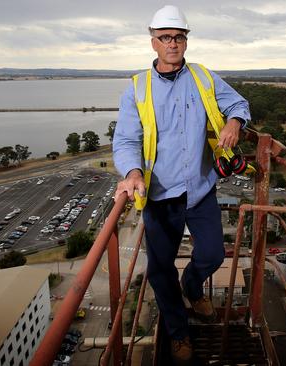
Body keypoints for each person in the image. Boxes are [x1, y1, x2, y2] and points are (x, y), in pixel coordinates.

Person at [112, 5, 250, 364]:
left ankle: (193, 287)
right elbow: (126, 140)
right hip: (159, 196)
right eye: (166, 38)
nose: (173, 44)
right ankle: (179, 333)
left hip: (200, 188)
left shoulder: (203, 77)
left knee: (213, 255)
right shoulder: (137, 89)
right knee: (160, 272)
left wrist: (235, 122)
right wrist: (132, 173)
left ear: (186, 41)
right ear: (153, 42)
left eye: (179, 37)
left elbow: (237, 102)